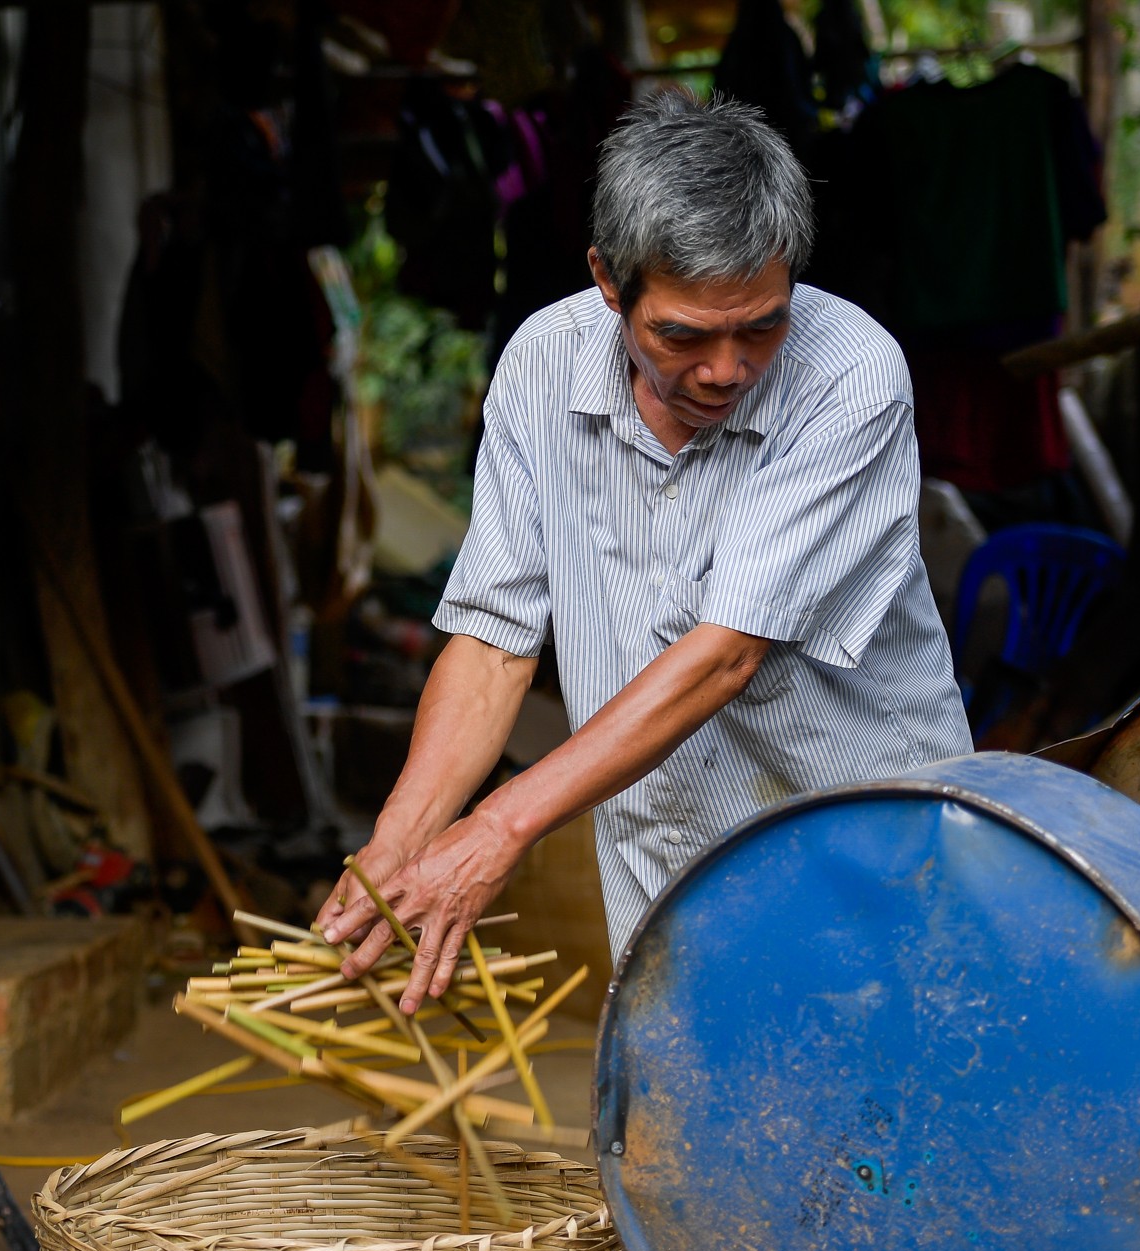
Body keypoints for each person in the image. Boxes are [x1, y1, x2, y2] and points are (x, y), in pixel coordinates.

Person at [317, 89, 971, 1013]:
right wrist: (402, 838)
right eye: (683, 334)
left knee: (883, 1130)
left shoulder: (851, 378)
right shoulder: (540, 367)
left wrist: (498, 828)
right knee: (695, 1137)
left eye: (762, 324)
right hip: (665, 863)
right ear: (607, 283)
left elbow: (727, 654)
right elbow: (497, 641)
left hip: (860, 856)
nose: (725, 369)